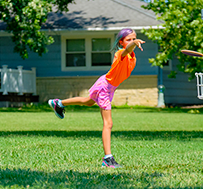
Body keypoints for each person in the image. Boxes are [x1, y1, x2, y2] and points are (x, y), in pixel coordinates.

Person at [48, 28, 145, 168]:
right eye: (128, 39)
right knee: (108, 123)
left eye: (134, 38)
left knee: (87, 102)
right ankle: (108, 159)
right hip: (105, 87)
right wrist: (134, 43)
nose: (132, 41)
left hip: (107, 86)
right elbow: (126, 50)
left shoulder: (132, 57)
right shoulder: (120, 53)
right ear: (121, 42)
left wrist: (133, 44)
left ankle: (59, 103)